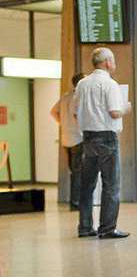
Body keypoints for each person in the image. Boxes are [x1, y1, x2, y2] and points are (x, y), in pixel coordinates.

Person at [75, 47, 131, 239]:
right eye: (113, 60)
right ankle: (107, 228)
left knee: (87, 186)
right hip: (107, 138)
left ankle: (84, 227)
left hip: (88, 138)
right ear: (108, 62)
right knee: (111, 186)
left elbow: (76, 112)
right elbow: (115, 112)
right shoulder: (110, 84)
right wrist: (126, 107)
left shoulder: (82, 84)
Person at [50, 72, 84, 210]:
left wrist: (62, 123)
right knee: (78, 173)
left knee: (74, 172)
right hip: (78, 138)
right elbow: (78, 115)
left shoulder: (65, 96)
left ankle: (74, 201)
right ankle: (76, 203)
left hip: (66, 138)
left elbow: (53, 111)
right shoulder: (79, 97)